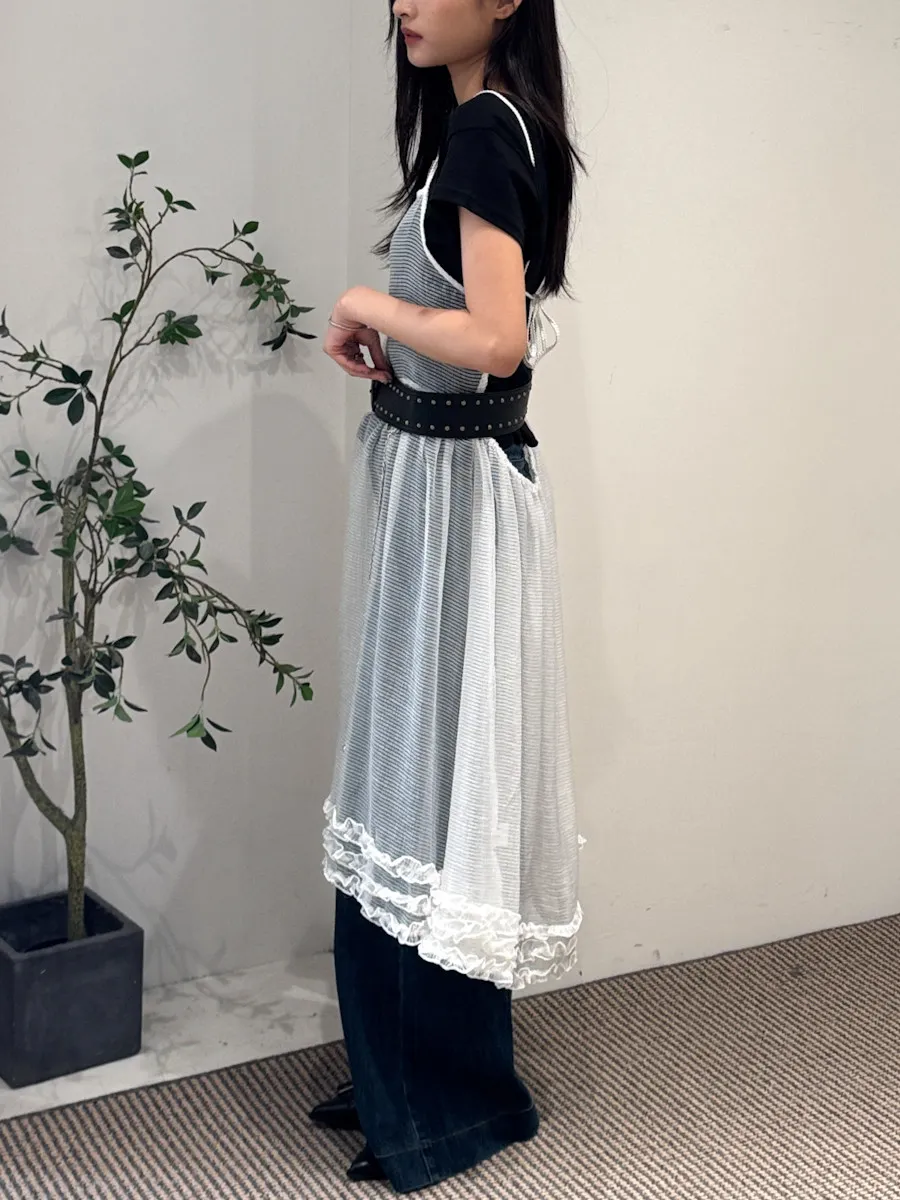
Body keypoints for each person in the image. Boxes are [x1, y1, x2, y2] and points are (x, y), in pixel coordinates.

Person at [312, 0, 585, 1191]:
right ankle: (417, 1079)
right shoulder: (489, 126)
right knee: (422, 778)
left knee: (425, 781)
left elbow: (498, 338)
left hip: (455, 501)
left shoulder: (484, 130)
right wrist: (401, 340)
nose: (407, 5)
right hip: (443, 482)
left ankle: (440, 1103)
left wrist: (367, 303)